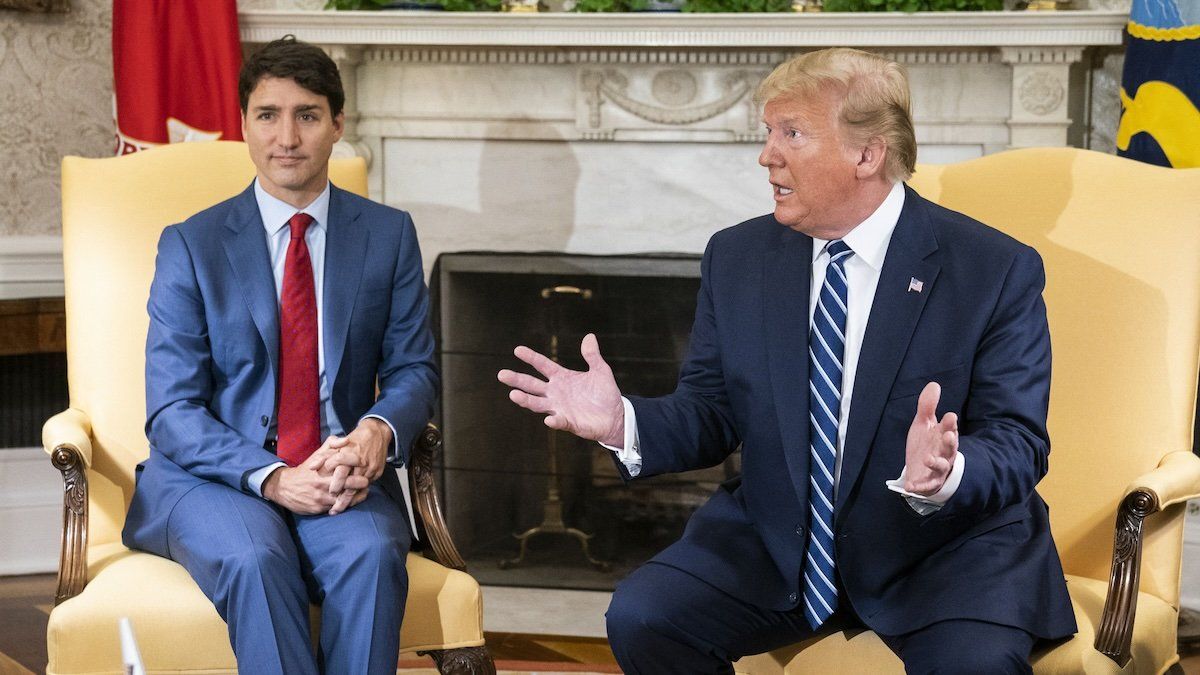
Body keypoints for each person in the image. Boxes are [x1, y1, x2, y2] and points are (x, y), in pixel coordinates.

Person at [498, 47, 1076, 674]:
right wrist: (622, 424)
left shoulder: (992, 269)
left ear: (867, 153)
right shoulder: (738, 256)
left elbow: (1019, 440)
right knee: (643, 616)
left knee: (976, 667)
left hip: (944, 552)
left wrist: (949, 471)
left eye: (792, 134)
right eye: (767, 132)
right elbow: (712, 411)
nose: (766, 154)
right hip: (780, 542)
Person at [121, 36, 438, 675]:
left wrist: (376, 432)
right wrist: (273, 478)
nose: (286, 136)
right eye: (268, 115)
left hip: (338, 473)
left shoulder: (387, 235)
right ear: (242, 125)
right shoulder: (191, 245)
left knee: (374, 553)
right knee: (255, 559)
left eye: (308, 115)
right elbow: (173, 410)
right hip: (214, 480)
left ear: (338, 125)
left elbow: (413, 367)